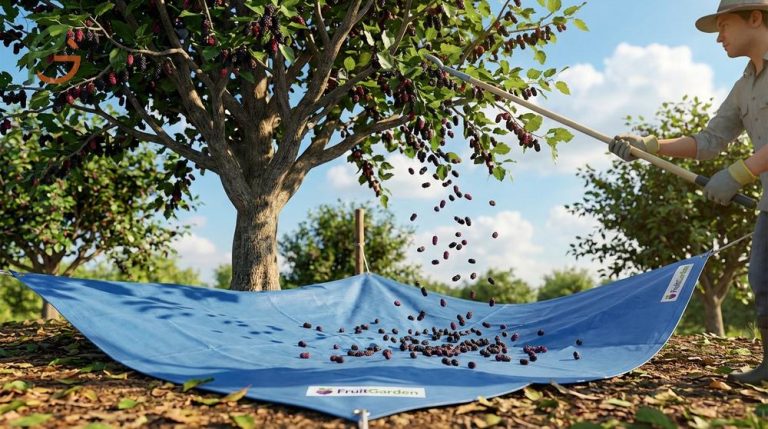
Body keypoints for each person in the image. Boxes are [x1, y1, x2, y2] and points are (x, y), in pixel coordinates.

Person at [609, 0, 768, 384]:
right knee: (762, 281)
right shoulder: (743, 86)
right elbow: (709, 141)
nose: (718, 38)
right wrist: (649, 146)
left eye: (723, 25)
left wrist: (741, 172)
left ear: (755, 17)